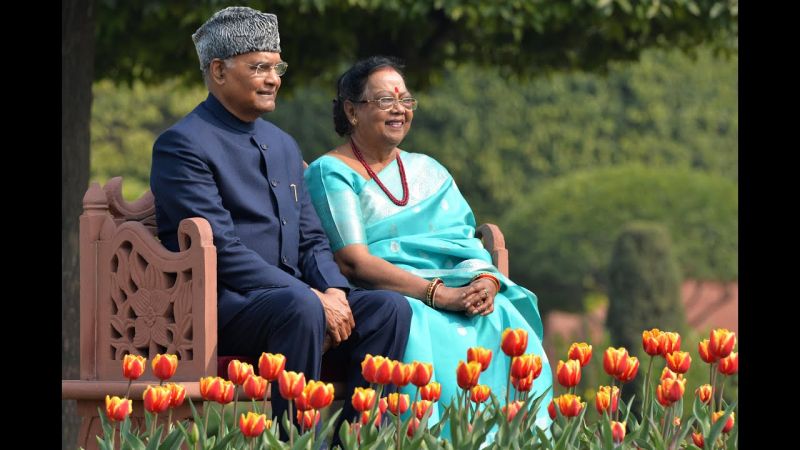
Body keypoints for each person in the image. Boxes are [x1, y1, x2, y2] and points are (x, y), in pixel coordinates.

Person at [150, 8, 412, 430]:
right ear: (218, 70)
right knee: (300, 306)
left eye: (277, 67)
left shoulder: (283, 144)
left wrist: (336, 292)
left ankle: (358, 437)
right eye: (259, 67)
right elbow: (222, 251)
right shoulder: (182, 145)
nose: (274, 78)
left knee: (389, 308)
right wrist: (312, 296)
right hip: (222, 306)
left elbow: (310, 239)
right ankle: (295, 439)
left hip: (294, 302)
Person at [304, 56, 553, 435]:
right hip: (388, 296)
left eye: (405, 100)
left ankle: (517, 440)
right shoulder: (331, 171)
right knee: (414, 318)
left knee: (503, 315)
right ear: (352, 111)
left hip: (453, 289)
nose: (399, 110)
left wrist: (486, 282)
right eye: (385, 100)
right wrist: (438, 295)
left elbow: (465, 243)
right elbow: (353, 262)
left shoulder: (430, 170)